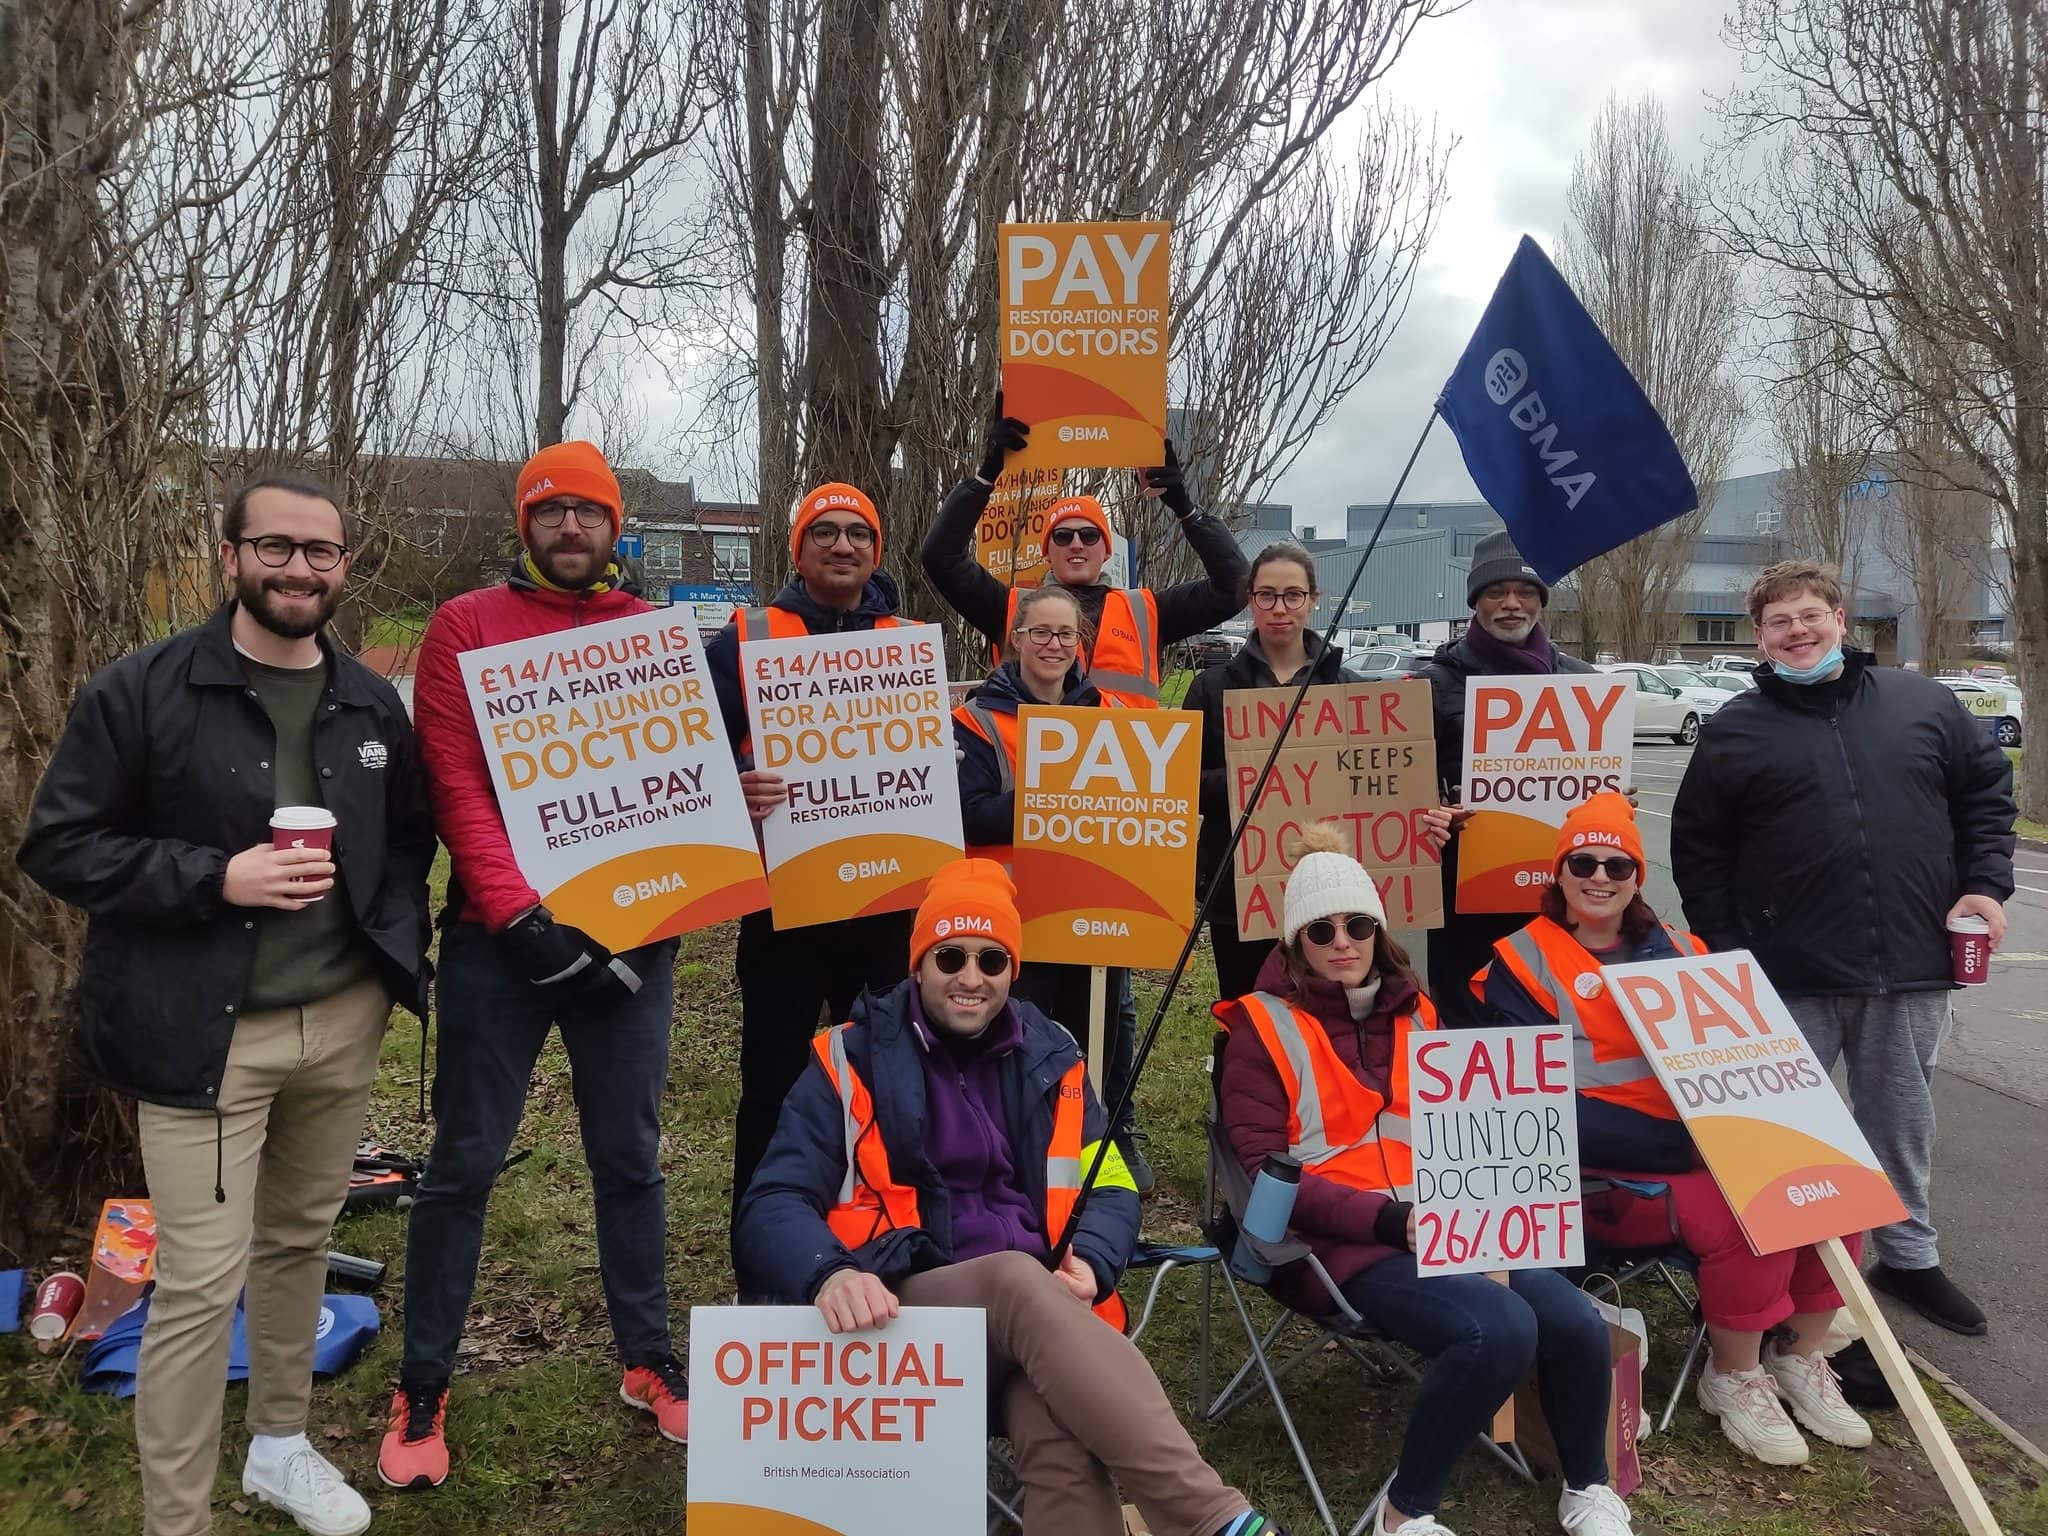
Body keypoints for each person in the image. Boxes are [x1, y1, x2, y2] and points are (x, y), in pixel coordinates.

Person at [19, 472, 434, 1536]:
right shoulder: (143, 689)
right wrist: (216, 877)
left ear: (345, 569)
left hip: (340, 1026)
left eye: (322, 552)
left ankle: (281, 1451)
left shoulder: (367, 700)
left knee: (296, 1244)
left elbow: (403, 844)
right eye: (278, 547)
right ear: (231, 555)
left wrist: (388, 946)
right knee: (202, 1286)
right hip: (203, 1032)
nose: (301, 568)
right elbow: (60, 845)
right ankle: (178, 1519)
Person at [734, 858, 1290, 1536]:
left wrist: (1092, 1257)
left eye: (991, 959)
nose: (971, 977)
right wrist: (831, 1272)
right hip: (899, 1316)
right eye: (951, 956)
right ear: (919, 963)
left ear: (1012, 969)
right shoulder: (848, 1060)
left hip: (1037, 1325)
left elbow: (1109, 1179)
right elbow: (770, 1204)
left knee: (1059, 1433)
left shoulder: (1053, 1054)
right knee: (1014, 1279)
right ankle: (1212, 1517)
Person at [380, 442, 688, 1488]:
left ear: (614, 529)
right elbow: (459, 785)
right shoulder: (462, 626)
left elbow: (677, 788)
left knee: (630, 1157)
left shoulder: (651, 634)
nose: (569, 529)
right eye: (550, 513)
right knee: (462, 1161)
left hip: (630, 944)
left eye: (587, 514)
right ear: (524, 525)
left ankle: (644, 1358)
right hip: (499, 944)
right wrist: (523, 926)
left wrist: (745, 793)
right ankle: (423, 1379)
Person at [1216, 825, 1631, 1536]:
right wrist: (1387, 1220)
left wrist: (1517, 1178)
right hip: (1330, 1245)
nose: (1342, 942)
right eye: (1321, 931)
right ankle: (1405, 1510)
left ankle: (1589, 1486)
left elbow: (1470, 1128)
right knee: (1499, 1329)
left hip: (1445, 1222)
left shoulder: (1423, 1012)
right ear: (1295, 945)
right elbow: (1262, 1175)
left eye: (1358, 925)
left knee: (1577, 1321)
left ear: (1379, 931)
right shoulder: (1262, 1028)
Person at [1671, 561, 2015, 1337]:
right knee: (1774, 1135)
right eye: (1779, 622)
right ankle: (1752, 1280)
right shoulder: (1735, 729)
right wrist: (1729, 953)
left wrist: (1986, 887)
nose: (1797, 632)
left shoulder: (1921, 704)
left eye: (1809, 615)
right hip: (1786, 971)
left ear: (1840, 617)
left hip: (1912, 959)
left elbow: (1986, 799)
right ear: (1760, 637)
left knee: (1899, 1120)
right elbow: (1698, 852)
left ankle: (1909, 1258)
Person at [1481, 793, 1872, 1467]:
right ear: (1559, 872)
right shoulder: (1518, 966)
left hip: (1700, 1143)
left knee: (1833, 1184)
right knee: (1743, 1213)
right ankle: (1732, 1374)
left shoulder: (1684, 952)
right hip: (1597, 1169)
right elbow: (1529, 1113)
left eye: (1617, 864)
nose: (1599, 876)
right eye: (1582, 861)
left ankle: (1799, 1357)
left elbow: (1743, 1056)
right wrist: (1685, 1145)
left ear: (1638, 876)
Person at [924, 401, 1247, 1183]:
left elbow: (1234, 584)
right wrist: (984, 473)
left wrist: (1183, 500)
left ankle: (1110, 1171)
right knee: (1029, 1015)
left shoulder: (1145, 610)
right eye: (1062, 535)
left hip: (1119, 854)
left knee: (1112, 1022)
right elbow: (940, 558)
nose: (1074, 545)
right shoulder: (1011, 608)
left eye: (1088, 535)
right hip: (1025, 864)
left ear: (1108, 547)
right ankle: (1019, 1169)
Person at [703, 481, 917, 1224]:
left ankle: (885, 1233)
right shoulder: (745, 636)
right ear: (799, 548)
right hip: (784, 905)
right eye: (823, 532)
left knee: (893, 1080)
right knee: (772, 1083)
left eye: (858, 533)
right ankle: (763, 1245)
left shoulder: (906, 641)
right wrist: (737, 784)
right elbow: (692, 767)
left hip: (886, 905)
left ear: (875, 550)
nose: (842, 545)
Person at [951, 585, 1147, 1175]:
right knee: (1020, 1054)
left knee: (1093, 1055)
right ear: (1016, 638)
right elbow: (969, 813)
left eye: (1067, 635)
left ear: (1081, 644)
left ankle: (1088, 1181)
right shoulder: (976, 721)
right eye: (1042, 632)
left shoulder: (1112, 718)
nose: (1054, 645)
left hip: (1094, 920)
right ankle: (1012, 1174)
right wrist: (1056, 792)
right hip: (1017, 924)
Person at [1417, 530, 1599, 1026]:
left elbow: (1603, 802)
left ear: (1541, 601)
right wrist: (1431, 814)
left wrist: (1611, 799)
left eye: (1525, 592)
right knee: (1469, 1030)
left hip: (1560, 894)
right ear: (1476, 601)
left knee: (1558, 1027)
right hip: (1465, 897)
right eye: (1496, 592)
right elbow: (1402, 794)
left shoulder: (1583, 684)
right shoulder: (1431, 686)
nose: (1512, 604)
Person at [1185, 542, 1351, 1001]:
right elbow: (1184, 788)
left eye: (1293, 595)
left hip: (1328, 891)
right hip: (1238, 892)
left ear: (1314, 600)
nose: (1280, 608)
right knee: (1247, 1012)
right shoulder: (1211, 688)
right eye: (1267, 595)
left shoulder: (1347, 689)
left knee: (1327, 1013)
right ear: (1251, 600)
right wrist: (1248, 775)